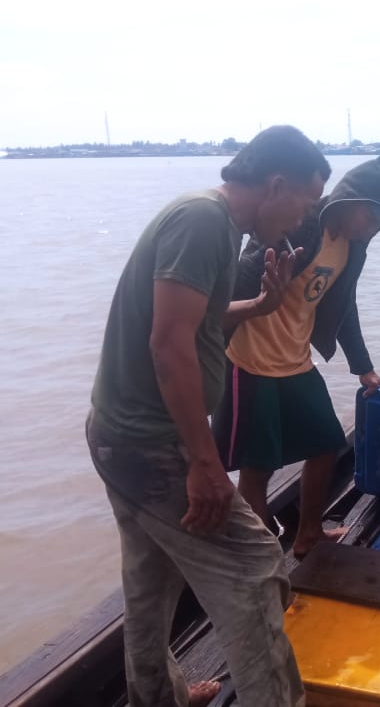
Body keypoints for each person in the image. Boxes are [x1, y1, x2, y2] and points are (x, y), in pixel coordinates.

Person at [87, 125, 330, 707]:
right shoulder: (202, 222)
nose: (302, 222)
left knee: (151, 578)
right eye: (306, 203)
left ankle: (156, 698)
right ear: (276, 185)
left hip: (121, 439)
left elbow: (196, 322)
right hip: (154, 447)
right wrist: (203, 463)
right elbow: (168, 345)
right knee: (257, 568)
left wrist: (260, 306)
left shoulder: (214, 226)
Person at [212, 154, 380, 558]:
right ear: (348, 202)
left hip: (296, 360)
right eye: (370, 219)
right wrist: (207, 359)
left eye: (379, 224)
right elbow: (231, 290)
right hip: (250, 362)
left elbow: (343, 304)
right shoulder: (298, 227)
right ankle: (262, 555)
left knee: (326, 445)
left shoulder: (352, 247)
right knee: (257, 468)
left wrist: (363, 367)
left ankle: (309, 533)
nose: (371, 229)